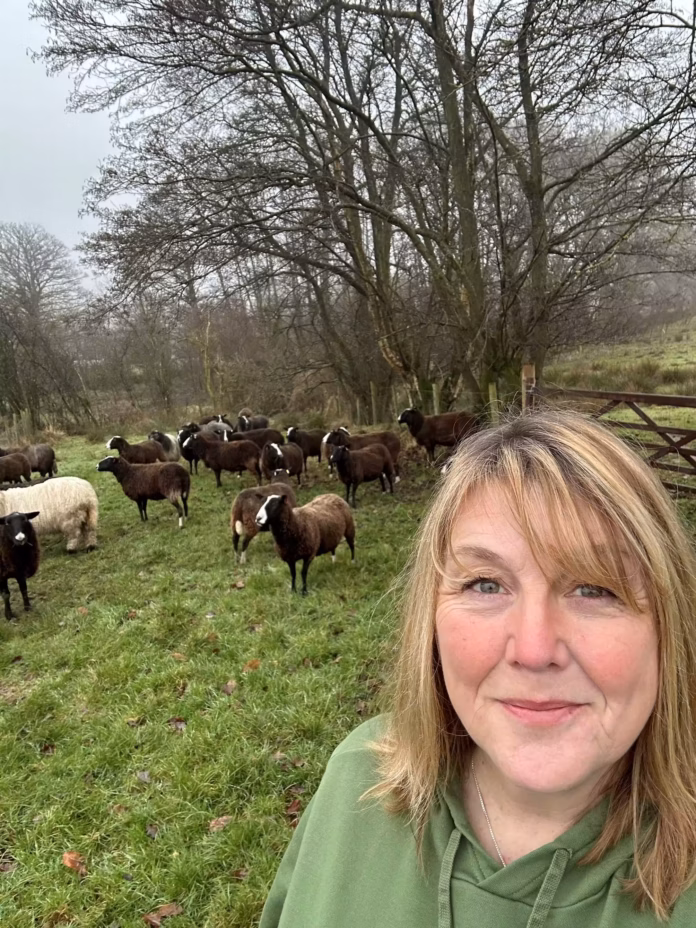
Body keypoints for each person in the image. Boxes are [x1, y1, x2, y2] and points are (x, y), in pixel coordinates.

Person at [259, 410, 696, 927]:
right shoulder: (354, 781)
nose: (534, 650)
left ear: (670, 622)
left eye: (595, 588)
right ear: (431, 619)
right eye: (485, 584)